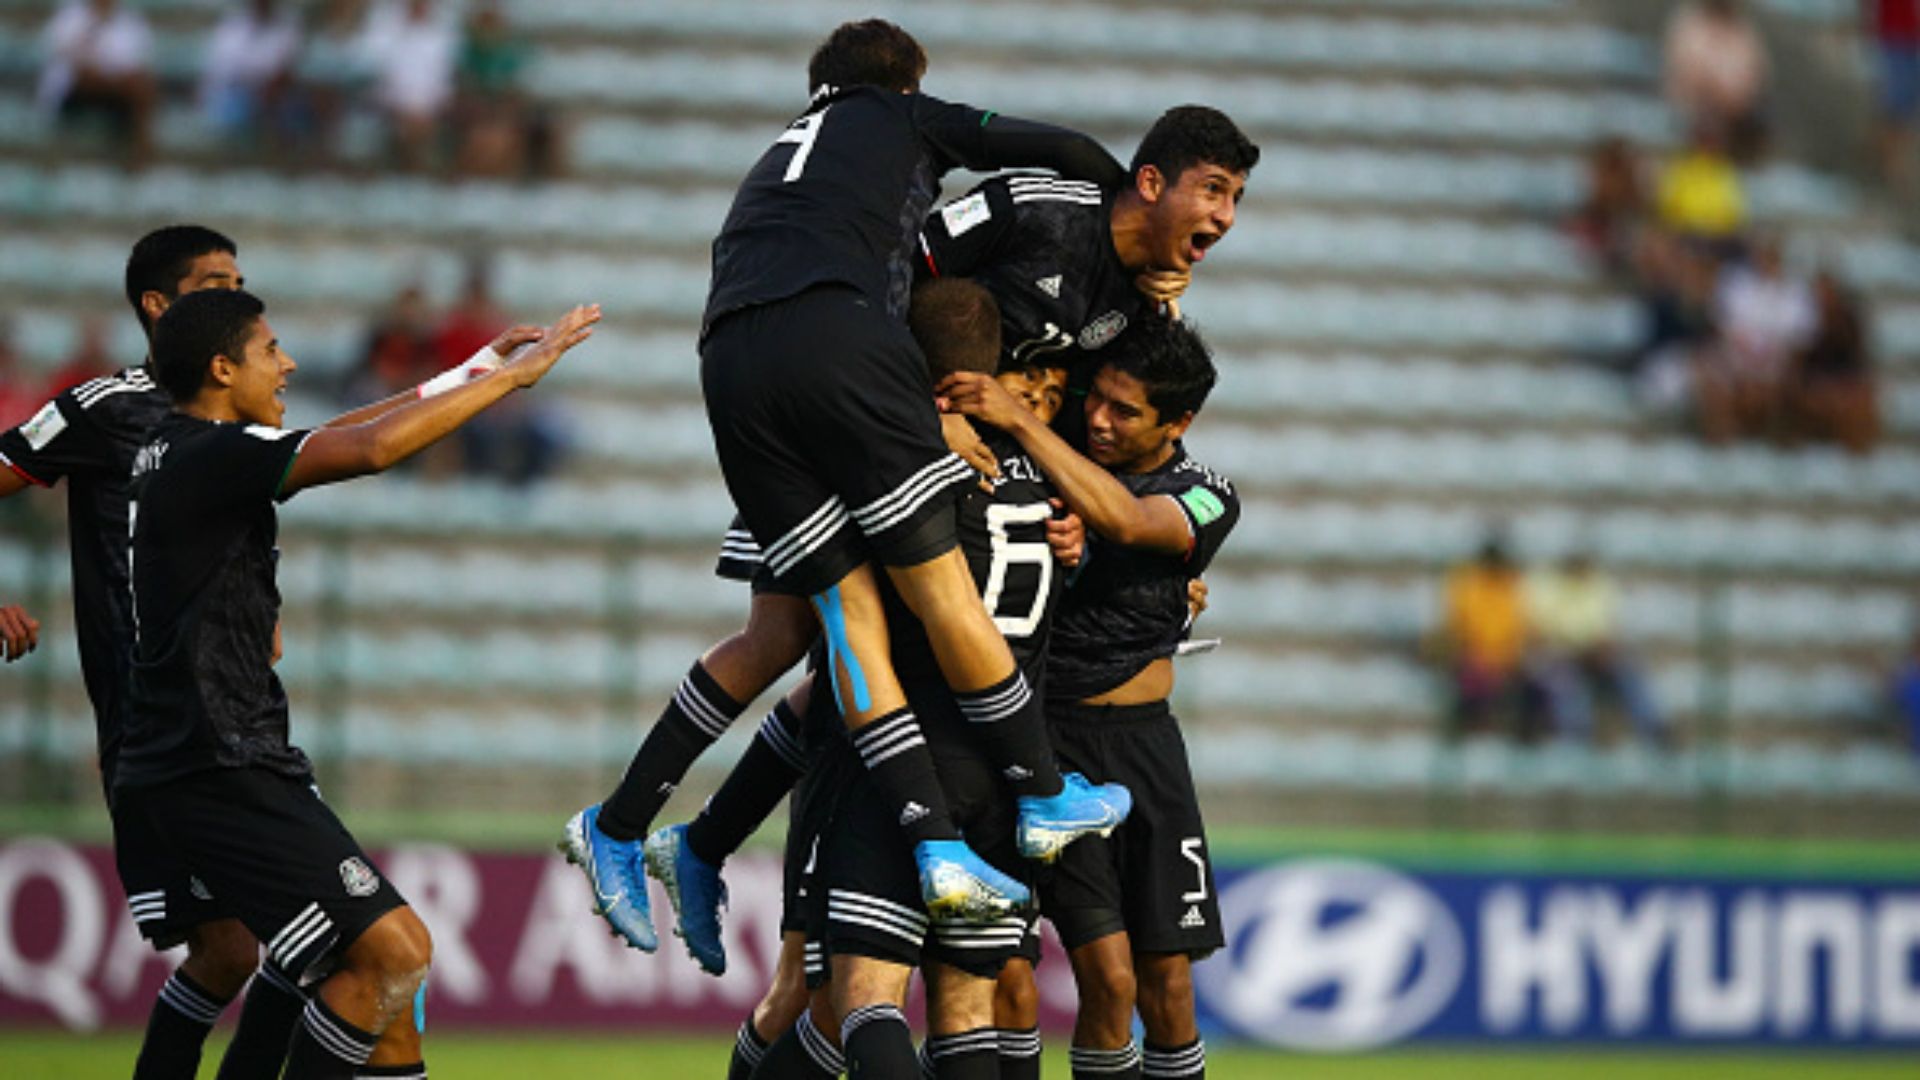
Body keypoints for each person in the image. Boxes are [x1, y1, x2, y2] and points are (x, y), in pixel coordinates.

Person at [570, 19, 1137, 962]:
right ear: (906, 80)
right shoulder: (900, 114)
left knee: (826, 622)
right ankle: (1040, 796)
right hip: (843, 350)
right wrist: (1118, 197)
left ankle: (625, 824)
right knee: (931, 593)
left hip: (733, 358)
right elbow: (1065, 149)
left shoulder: (780, 159)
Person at [116, 287, 596, 1080]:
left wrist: (468, 369)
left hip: (207, 756)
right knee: (396, 953)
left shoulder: (182, 451)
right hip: (217, 762)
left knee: (379, 1001)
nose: (290, 362)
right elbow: (372, 450)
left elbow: (338, 433)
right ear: (222, 366)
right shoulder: (208, 455)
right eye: (271, 350)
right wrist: (512, 381)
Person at [751, 277, 1078, 1079]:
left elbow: (806, 627)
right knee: (967, 1005)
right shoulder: (1045, 483)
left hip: (897, 755)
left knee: (857, 997)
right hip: (1006, 773)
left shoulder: (894, 467)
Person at [0, 226, 300, 1080]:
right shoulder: (106, 405)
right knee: (271, 939)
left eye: (240, 281)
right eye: (212, 284)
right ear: (158, 308)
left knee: (249, 946)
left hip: (238, 712)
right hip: (158, 730)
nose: (234, 297)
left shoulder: (239, 411)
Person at [943, 314, 1234, 1080]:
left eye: (1126, 411)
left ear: (1179, 423)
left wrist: (1026, 432)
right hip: (1055, 746)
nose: (1099, 419)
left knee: (1170, 989)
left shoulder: (1206, 494)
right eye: (1097, 399)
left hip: (1149, 752)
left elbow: (1131, 520)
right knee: (1102, 981)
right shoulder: (1048, 462)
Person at [1527, 552, 1666, 746]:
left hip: (1595, 657)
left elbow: (1609, 633)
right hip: (1563, 658)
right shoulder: (1550, 588)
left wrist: (1600, 649)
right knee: (1564, 680)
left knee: (1629, 672)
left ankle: (1654, 731)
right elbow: (1541, 635)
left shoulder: (1599, 587)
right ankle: (1577, 736)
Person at [35, 0, 157, 169]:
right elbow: (65, 57)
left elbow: (134, 67)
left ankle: (137, 150)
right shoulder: (69, 17)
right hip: (72, 94)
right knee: (87, 74)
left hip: (115, 94)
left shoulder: (131, 23)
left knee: (140, 86)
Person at [1436, 531, 1535, 739]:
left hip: (1505, 661)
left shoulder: (1511, 586)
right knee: (1469, 688)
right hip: (1473, 659)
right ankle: (1464, 735)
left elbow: (1519, 630)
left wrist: (1506, 660)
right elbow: (1458, 629)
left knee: (1531, 692)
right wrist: (1476, 655)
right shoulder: (1466, 585)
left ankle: (1520, 739)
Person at [1663, 0, 1769, 162]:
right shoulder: (1691, 23)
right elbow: (1689, 74)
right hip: (1696, 108)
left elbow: (1755, 73)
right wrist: (1717, 91)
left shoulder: (1742, 28)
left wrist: (1732, 96)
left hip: (1735, 113)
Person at [1788, 270, 1879, 455]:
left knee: (1858, 404)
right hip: (1814, 388)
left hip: (1842, 386)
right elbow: (1799, 368)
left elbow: (1856, 365)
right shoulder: (1805, 321)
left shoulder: (1849, 325)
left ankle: (1858, 456)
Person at [199, 0, 303, 148]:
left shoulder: (290, 25)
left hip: (275, 97)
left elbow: (286, 68)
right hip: (233, 96)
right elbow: (224, 73)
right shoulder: (232, 26)